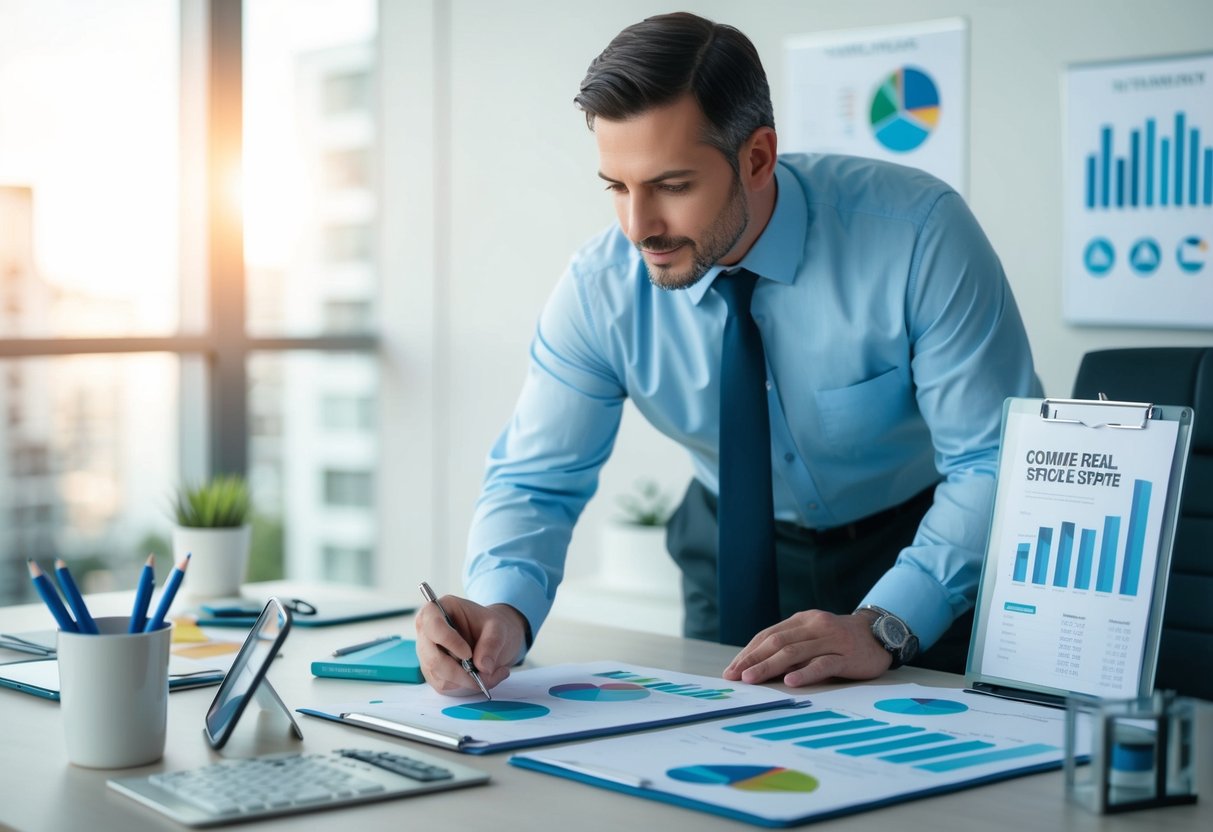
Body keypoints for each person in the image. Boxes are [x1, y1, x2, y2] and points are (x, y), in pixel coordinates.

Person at [415, 11, 1041, 695]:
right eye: (617, 188)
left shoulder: (918, 236)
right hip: (728, 550)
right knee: (717, 761)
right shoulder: (599, 291)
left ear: (757, 158)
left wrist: (887, 621)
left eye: (671, 186)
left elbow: (992, 460)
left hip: (923, 550)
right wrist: (499, 606)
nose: (638, 227)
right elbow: (536, 480)